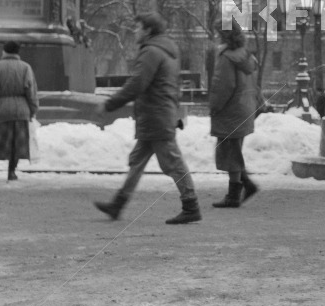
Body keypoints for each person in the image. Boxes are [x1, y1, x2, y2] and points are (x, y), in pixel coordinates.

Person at [93, 13, 201, 225]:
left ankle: (191, 206)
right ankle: (118, 204)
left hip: (156, 115)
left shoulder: (151, 52)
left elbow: (137, 84)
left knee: (173, 162)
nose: (135, 31)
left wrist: (109, 104)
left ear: (148, 30)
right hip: (157, 114)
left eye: (138, 27)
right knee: (137, 161)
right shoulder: (166, 50)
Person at [208, 18, 260, 208]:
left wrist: (214, 107)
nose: (215, 36)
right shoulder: (246, 56)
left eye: (218, 33)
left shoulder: (226, 57)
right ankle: (244, 186)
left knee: (229, 152)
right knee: (233, 150)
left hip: (230, 110)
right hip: (244, 108)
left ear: (224, 35)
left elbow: (222, 87)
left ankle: (234, 195)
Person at [0, 41, 39, 181]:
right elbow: (31, 91)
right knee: (16, 142)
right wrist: (32, 109)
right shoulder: (25, 68)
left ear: (4, 51)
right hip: (21, 111)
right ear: (17, 52)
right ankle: (11, 172)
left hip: (1, 110)